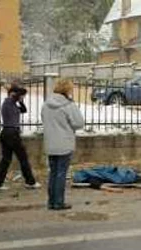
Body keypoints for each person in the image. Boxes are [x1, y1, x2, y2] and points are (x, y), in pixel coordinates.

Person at [42, 79, 84, 210]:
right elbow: (79, 123)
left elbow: (43, 119)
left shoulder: (46, 104)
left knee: (53, 173)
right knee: (61, 174)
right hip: (64, 144)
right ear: (67, 90)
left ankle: (51, 201)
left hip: (50, 143)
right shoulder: (68, 105)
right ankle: (59, 202)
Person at [0, 83, 41, 190]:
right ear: (13, 94)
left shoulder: (13, 104)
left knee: (6, 159)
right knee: (22, 157)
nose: (22, 97)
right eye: (19, 96)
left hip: (8, 133)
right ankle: (30, 182)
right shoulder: (8, 102)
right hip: (11, 133)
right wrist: (13, 91)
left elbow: (24, 110)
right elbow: (23, 91)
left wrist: (20, 101)